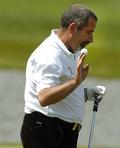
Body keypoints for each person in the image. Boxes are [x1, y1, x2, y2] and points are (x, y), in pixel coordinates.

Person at [20, 4, 98, 148]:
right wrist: (75, 82)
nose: (92, 39)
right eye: (89, 32)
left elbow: (60, 88)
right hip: (45, 130)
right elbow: (44, 97)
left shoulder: (71, 50)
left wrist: (85, 94)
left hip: (60, 132)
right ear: (73, 28)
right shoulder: (50, 55)